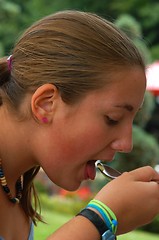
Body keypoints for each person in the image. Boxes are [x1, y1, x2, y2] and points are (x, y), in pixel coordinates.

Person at [0, 10, 159, 240]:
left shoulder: (16, 187)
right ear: (46, 104)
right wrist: (100, 219)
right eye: (112, 119)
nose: (126, 144)